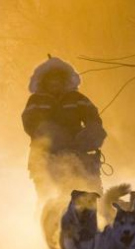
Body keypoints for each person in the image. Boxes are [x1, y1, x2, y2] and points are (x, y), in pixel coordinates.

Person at [22, 56, 106, 202]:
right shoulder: (36, 100)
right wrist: (47, 134)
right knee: (48, 195)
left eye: (58, 79)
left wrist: (91, 134)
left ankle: (96, 218)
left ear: (65, 80)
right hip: (45, 154)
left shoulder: (77, 98)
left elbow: (93, 118)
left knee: (91, 189)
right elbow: (30, 123)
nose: (55, 82)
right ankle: (49, 219)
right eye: (51, 79)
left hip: (77, 149)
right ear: (44, 81)